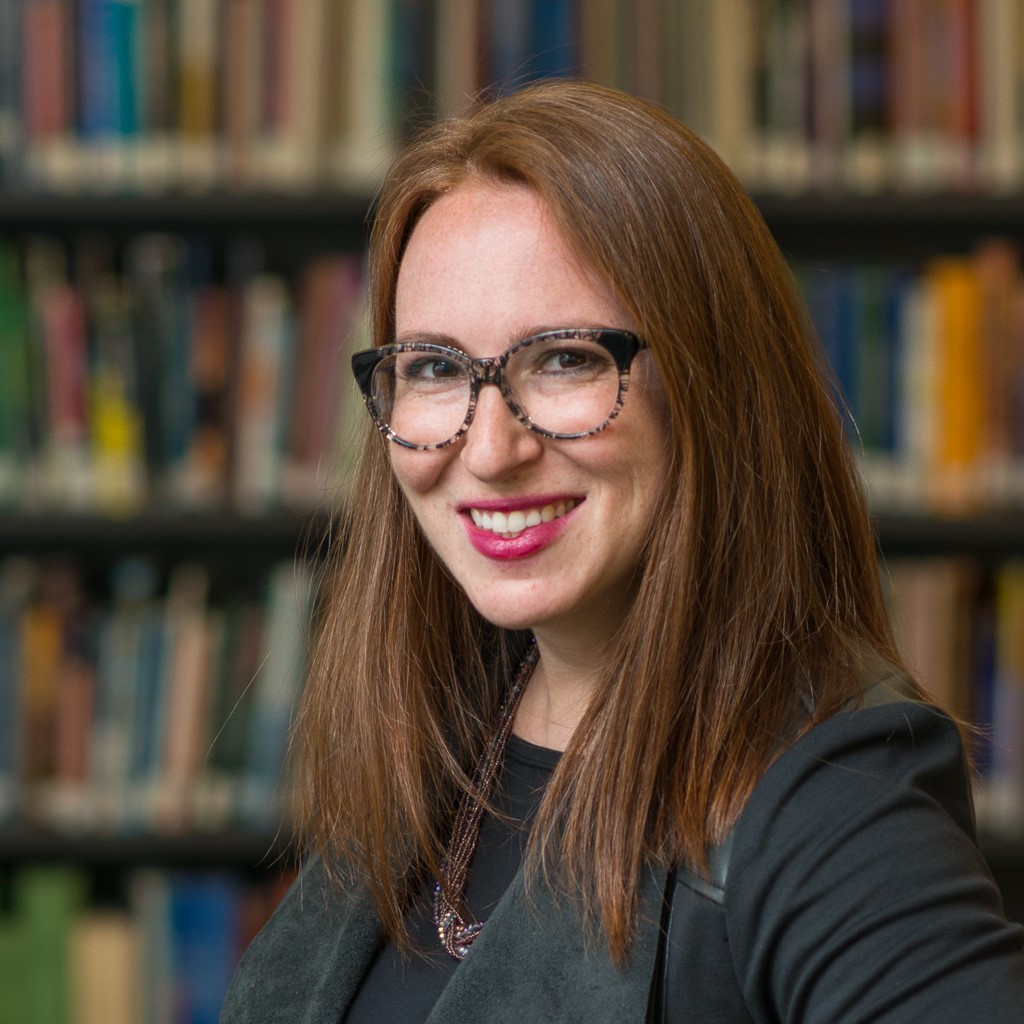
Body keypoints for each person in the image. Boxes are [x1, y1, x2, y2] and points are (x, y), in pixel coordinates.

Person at [221, 79, 1024, 1022]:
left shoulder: (830, 791)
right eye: (434, 368)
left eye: (565, 358)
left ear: (710, 382)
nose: (489, 451)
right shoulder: (441, 725)